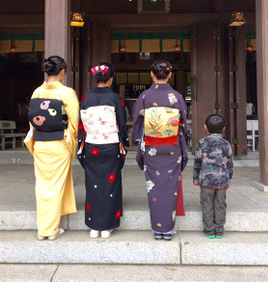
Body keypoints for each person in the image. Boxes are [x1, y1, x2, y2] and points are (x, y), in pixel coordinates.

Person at [24, 56, 79, 241]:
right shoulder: (67, 93)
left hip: (40, 142)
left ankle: (45, 226)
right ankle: (49, 229)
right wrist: (72, 146)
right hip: (58, 142)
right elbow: (73, 123)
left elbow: (32, 122)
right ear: (62, 71)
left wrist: (33, 144)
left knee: (43, 186)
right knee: (54, 186)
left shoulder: (37, 92)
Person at [132, 59, 188, 240]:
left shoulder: (145, 97)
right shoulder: (177, 97)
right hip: (172, 146)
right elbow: (183, 124)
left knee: (154, 186)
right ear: (170, 75)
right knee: (170, 185)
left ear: (152, 74)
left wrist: (140, 139)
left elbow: (137, 122)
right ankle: (168, 228)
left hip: (152, 147)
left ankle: (158, 228)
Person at [77, 63, 129, 239]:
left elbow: (81, 124)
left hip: (92, 145)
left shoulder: (86, 97)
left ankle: (94, 226)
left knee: (93, 184)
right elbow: (122, 123)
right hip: (111, 145)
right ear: (111, 79)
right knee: (110, 184)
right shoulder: (115, 98)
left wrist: (81, 143)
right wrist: (125, 141)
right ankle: (106, 226)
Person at [193, 114, 233, 239]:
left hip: (206, 181)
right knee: (220, 204)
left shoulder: (202, 143)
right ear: (224, 128)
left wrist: (196, 178)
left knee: (207, 204)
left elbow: (197, 161)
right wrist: (229, 178)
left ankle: (209, 230)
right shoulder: (226, 144)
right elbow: (230, 163)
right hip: (222, 181)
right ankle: (219, 231)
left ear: (205, 127)